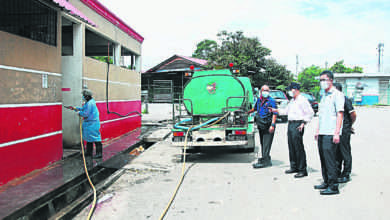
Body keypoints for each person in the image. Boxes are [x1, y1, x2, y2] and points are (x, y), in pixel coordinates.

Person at [269, 82, 314, 178]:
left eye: (291, 89)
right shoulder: (292, 101)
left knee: (298, 147)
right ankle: (294, 166)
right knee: (291, 146)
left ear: (296, 89)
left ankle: (302, 169)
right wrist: (275, 110)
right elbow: (286, 111)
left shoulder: (302, 100)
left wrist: (303, 123)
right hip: (290, 123)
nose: (290, 91)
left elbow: (310, 113)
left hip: (298, 124)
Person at [314, 71, 344, 195]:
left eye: (324, 79)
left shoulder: (337, 95)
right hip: (322, 132)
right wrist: (317, 130)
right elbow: (321, 116)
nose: (322, 82)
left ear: (330, 80)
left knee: (330, 160)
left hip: (331, 133)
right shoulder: (323, 95)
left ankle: (333, 186)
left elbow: (340, 114)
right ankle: (326, 181)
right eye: (320, 80)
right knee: (323, 159)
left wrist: (337, 132)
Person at [248, 85, 277, 169]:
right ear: (260, 91)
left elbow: (274, 114)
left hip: (268, 125)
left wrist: (273, 125)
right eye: (264, 90)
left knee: (266, 143)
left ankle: (265, 161)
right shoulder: (259, 100)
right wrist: (247, 112)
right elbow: (255, 109)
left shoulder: (271, 101)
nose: (265, 92)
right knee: (262, 143)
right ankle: (266, 158)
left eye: (267, 90)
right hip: (261, 125)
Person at [333, 83, 357, 183]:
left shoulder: (344, 99)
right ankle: (337, 171)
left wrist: (349, 125)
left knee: (345, 151)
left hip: (344, 129)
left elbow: (353, 114)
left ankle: (346, 173)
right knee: (336, 152)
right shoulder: (334, 99)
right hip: (336, 129)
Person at [74, 89, 103, 159]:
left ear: (87, 96)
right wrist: (77, 109)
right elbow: (84, 108)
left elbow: (86, 113)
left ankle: (99, 153)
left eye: (84, 96)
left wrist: (79, 113)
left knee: (96, 138)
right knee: (89, 138)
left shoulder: (90, 103)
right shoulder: (88, 102)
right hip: (89, 124)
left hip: (93, 124)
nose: (83, 97)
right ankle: (89, 153)